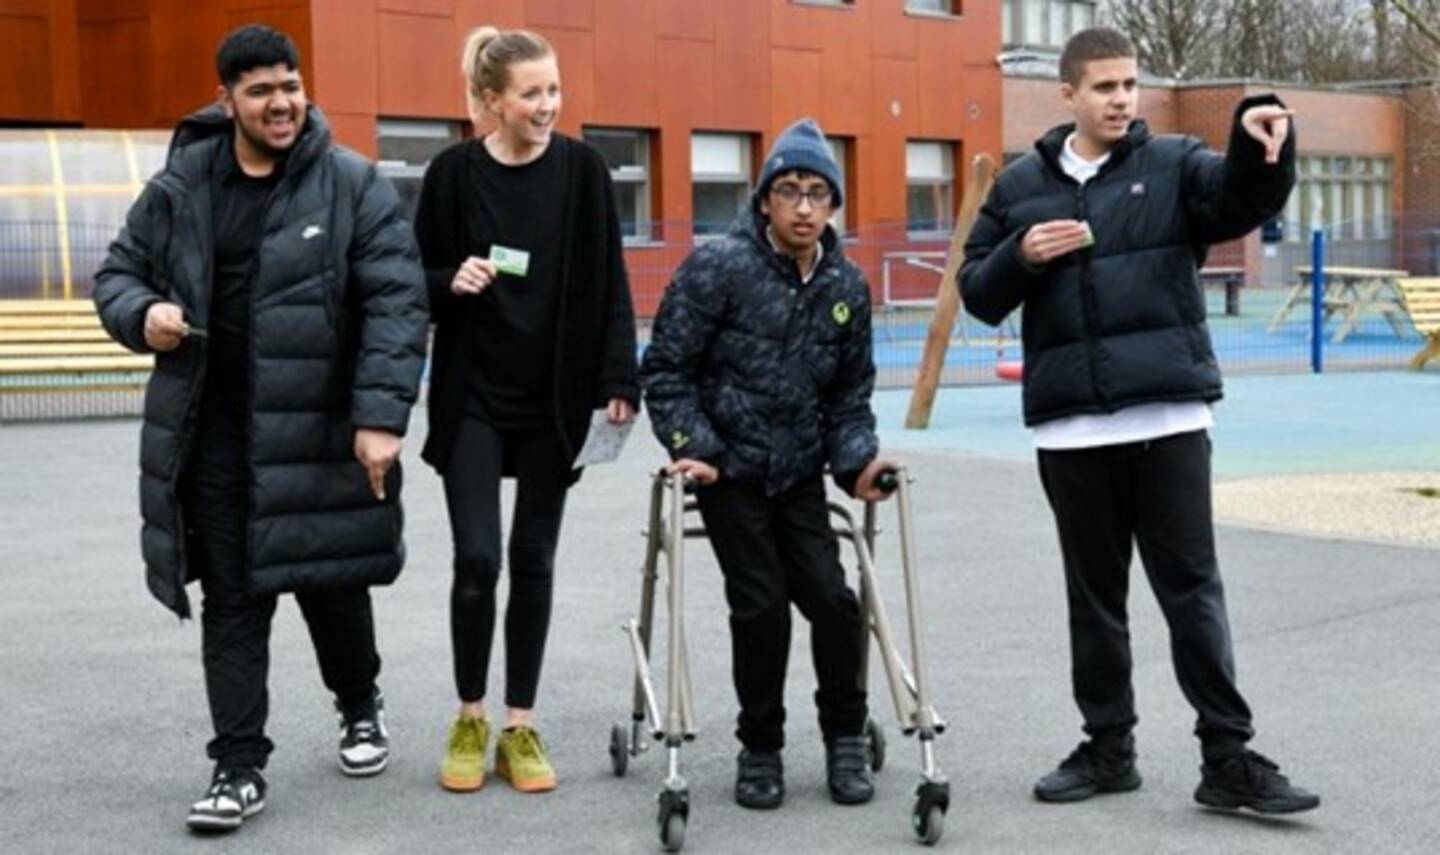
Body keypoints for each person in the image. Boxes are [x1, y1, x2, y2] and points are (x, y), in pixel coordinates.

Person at [959, 28, 1319, 814]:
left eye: (1129, 84)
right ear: (1069, 95)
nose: (1121, 98)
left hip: (1170, 418)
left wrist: (1261, 138)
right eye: (1104, 87)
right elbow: (978, 293)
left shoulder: (1176, 162)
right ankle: (1108, 747)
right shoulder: (1021, 185)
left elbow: (1242, 199)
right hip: (1071, 430)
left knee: (1192, 592)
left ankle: (1227, 757)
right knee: (1095, 601)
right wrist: (1020, 254)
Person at [93, 25, 428, 833]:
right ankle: (237, 765)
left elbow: (396, 300)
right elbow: (116, 273)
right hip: (211, 431)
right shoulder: (181, 186)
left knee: (330, 586)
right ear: (227, 100)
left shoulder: (350, 184)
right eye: (260, 90)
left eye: (290, 84)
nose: (280, 102)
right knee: (234, 602)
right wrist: (146, 315)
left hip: (317, 428)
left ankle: (359, 703)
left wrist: (380, 417)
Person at [642, 118, 894, 810]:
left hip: (801, 476)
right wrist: (694, 447)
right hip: (730, 470)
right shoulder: (717, 267)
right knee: (760, 607)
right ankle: (761, 745)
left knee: (835, 602)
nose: (805, 207)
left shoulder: (846, 283)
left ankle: (846, 734)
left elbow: (849, 396)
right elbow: (666, 370)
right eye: (790, 191)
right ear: (764, 202)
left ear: (834, 204)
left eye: (818, 193)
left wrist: (859, 463)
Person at [413, 26, 640, 795]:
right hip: (472, 392)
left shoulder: (583, 172)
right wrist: (452, 279)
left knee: (533, 558)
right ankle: (471, 715)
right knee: (478, 558)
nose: (548, 105)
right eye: (532, 93)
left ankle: (519, 723)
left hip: (555, 397)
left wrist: (619, 377)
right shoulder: (450, 175)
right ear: (490, 102)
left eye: (554, 90)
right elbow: (412, 277)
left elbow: (610, 281)